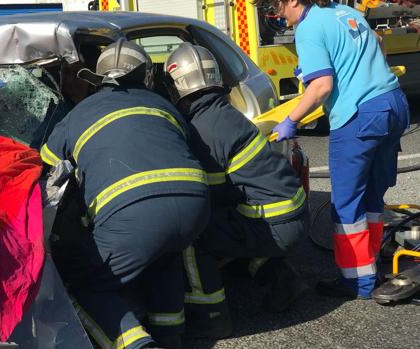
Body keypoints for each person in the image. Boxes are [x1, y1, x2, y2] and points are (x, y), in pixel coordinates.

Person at [41, 39, 211, 349]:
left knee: (84, 281)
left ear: (99, 76)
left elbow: (47, 164)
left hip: (131, 216)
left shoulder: (80, 111)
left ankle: (137, 344)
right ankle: (171, 335)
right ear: (145, 74)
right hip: (195, 207)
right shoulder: (162, 104)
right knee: (165, 257)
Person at [262, 0, 410, 299]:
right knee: (372, 194)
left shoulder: (309, 28)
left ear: (292, 0)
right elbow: (378, 41)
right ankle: (370, 265)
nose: (278, 15)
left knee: (345, 204)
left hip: (359, 117)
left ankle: (357, 282)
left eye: (278, 6)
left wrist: (290, 121)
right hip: (393, 104)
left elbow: (322, 87)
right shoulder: (346, 13)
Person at [163, 43, 309, 336]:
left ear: (177, 87)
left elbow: (207, 199)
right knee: (233, 225)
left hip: (272, 222)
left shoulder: (201, 130)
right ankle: (281, 278)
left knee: (191, 235)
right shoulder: (225, 113)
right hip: (291, 215)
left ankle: (211, 315)